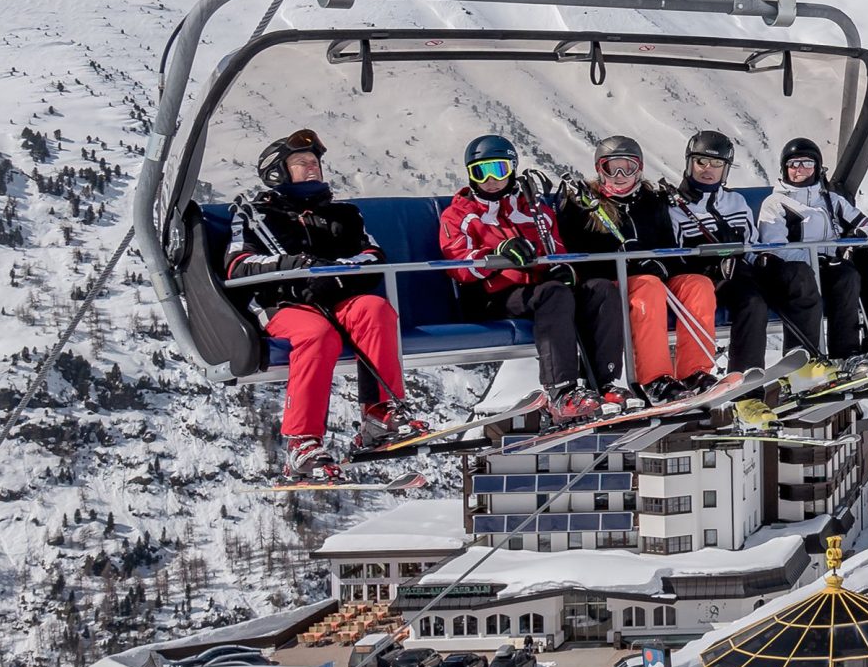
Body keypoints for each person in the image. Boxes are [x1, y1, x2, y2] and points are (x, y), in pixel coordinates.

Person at [226, 128, 424, 479]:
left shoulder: (344, 215)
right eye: (300, 162)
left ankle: (379, 415)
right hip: (282, 304)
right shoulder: (256, 215)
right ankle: (302, 442)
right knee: (317, 335)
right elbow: (238, 264)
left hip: (337, 298)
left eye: (314, 161)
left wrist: (334, 274)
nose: (311, 167)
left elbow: (373, 256)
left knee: (375, 310)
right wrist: (293, 266)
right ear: (278, 172)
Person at [438, 134, 622, 421]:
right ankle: (561, 392)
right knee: (553, 294)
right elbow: (457, 264)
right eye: (481, 171)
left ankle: (605, 383)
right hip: (492, 296)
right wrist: (495, 256)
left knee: (601, 289)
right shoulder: (460, 214)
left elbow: (557, 251)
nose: (490, 180)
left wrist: (564, 269)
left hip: (539, 291)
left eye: (498, 170)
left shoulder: (535, 210)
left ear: (512, 169)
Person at [555, 136, 717, 409]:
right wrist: (625, 264)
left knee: (697, 285)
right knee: (648, 287)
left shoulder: (651, 202)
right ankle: (655, 380)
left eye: (627, 168)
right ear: (599, 169)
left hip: (652, 277)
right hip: (612, 283)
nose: (619, 176)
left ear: (639, 169)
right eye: (611, 168)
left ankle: (694, 372)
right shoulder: (585, 205)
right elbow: (578, 256)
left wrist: (660, 264)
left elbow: (669, 248)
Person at [753, 136, 868, 372]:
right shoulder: (776, 203)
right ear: (784, 169)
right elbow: (775, 247)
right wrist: (817, 259)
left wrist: (858, 235)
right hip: (801, 270)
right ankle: (845, 354)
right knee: (845, 276)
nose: (799, 169)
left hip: (834, 262)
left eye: (807, 163)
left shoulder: (831, 200)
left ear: (817, 167)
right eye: (793, 164)